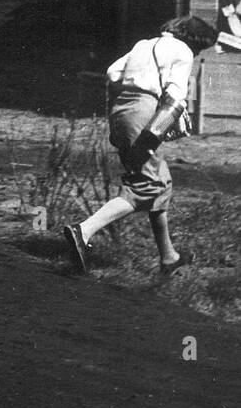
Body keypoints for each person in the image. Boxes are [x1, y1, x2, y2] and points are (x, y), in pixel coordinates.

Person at [63, 16, 219, 276]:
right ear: (194, 41)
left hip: (122, 108)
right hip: (145, 112)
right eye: (200, 47)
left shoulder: (143, 45)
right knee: (148, 185)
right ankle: (84, 231)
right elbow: (176, 95)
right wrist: (164, 123)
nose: (198, 52)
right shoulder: (182, 51)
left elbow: (113, 72)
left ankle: (169, 257)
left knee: (160, 182)